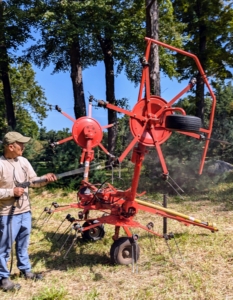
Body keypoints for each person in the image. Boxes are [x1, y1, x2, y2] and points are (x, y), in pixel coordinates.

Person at [0, 131, 57, 292]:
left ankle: (26, 270)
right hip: (7, 214)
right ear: (11, 146)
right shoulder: (1, 164)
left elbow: (33, 182)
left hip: (25, 211)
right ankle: (3, 278)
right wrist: (11, 192)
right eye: (20, 144)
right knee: (4, 247)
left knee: (23, 245)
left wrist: (45, 179)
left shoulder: (23, 161)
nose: (23, 147)